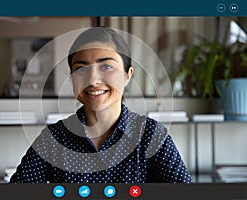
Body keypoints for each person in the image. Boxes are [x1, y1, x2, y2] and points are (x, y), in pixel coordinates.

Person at [10, 27, 193, 183]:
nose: (93, 80)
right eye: (81, 68)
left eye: (106, 67)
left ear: (127, 75)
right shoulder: (54, 139)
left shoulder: (151, 136)